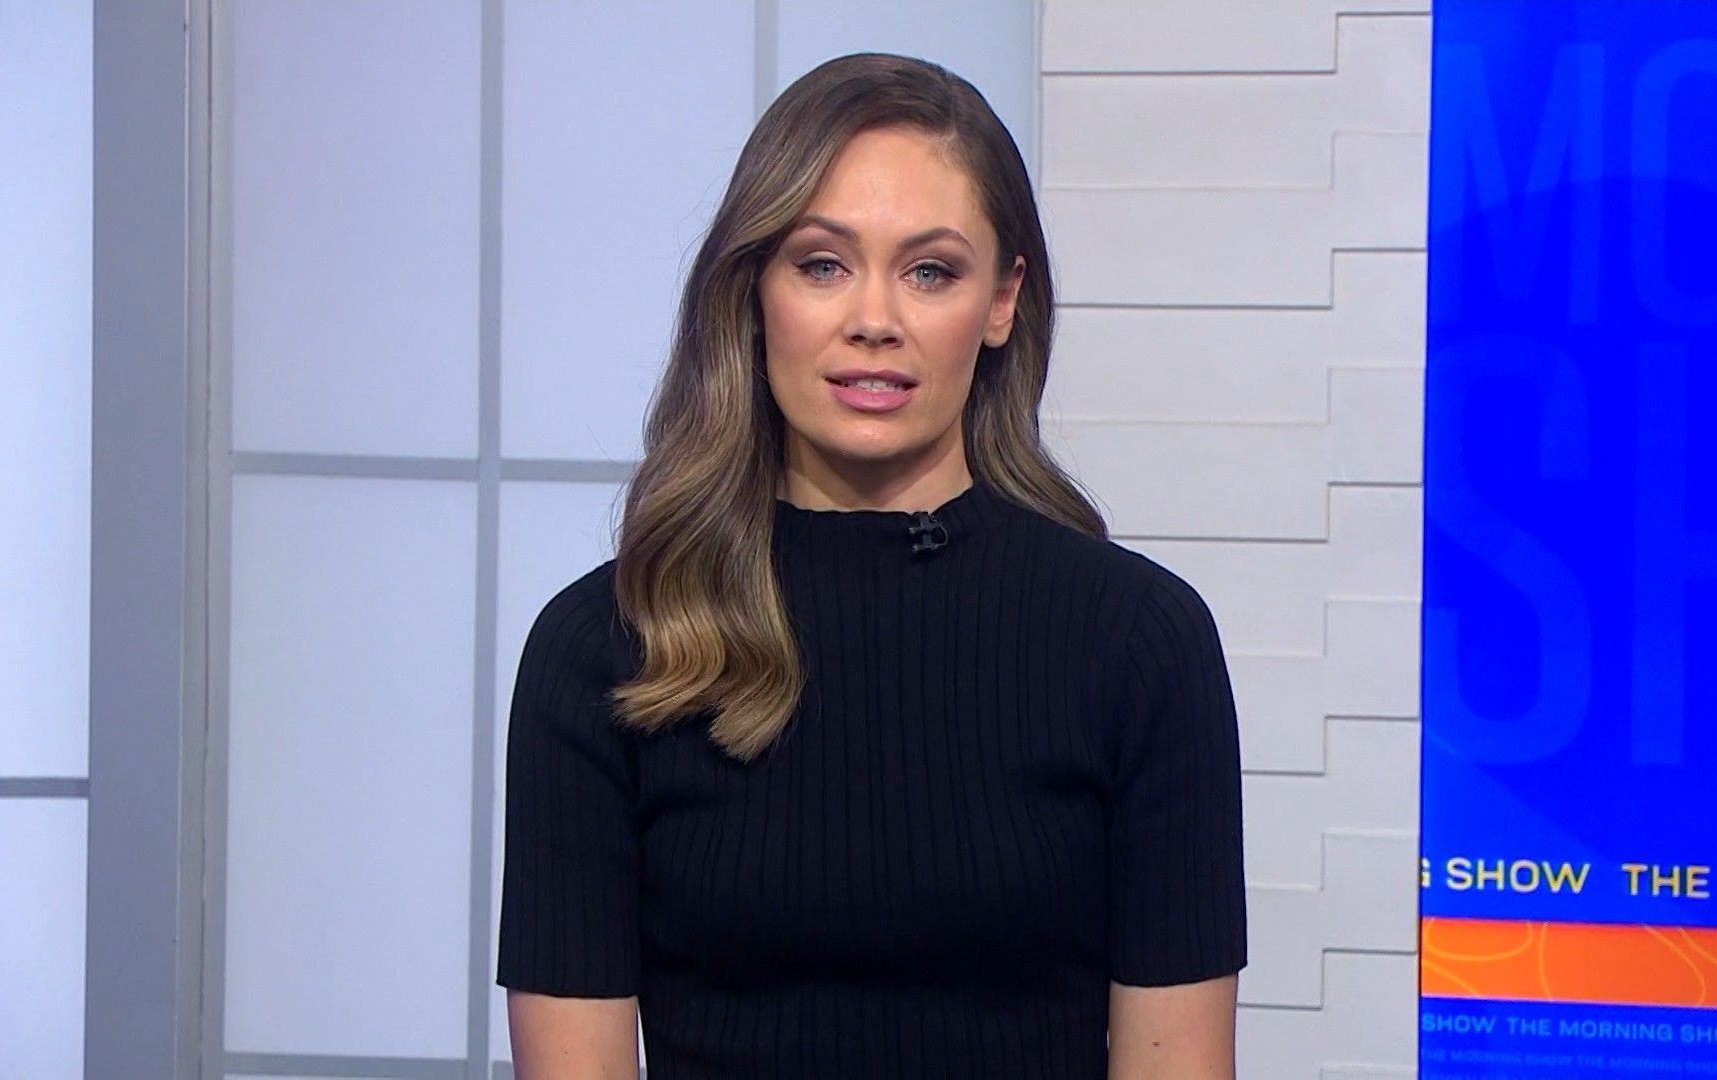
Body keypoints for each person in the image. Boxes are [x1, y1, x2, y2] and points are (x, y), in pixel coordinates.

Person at [496, 51, 1246, 1079]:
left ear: (1002, 301)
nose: (874, 321)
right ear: (754, 290)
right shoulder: (605, 650)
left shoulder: (1139, 643)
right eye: (822, 264)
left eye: (930, 271)